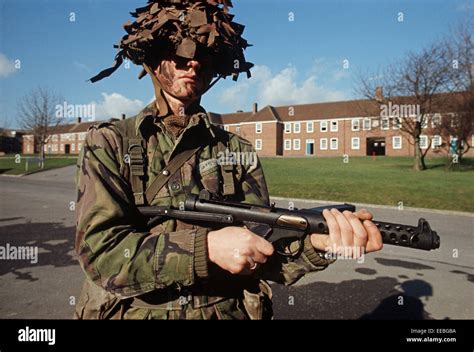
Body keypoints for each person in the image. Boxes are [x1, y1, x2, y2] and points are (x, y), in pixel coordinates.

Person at [74, 0, 383, 320]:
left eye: (203, 56)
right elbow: (101, 253)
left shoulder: (238, 151)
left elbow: (264, 250)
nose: (192, 63)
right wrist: (205, 249)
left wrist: (316, 245)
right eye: (181, 53)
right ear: (154, 58)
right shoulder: (110, 142)